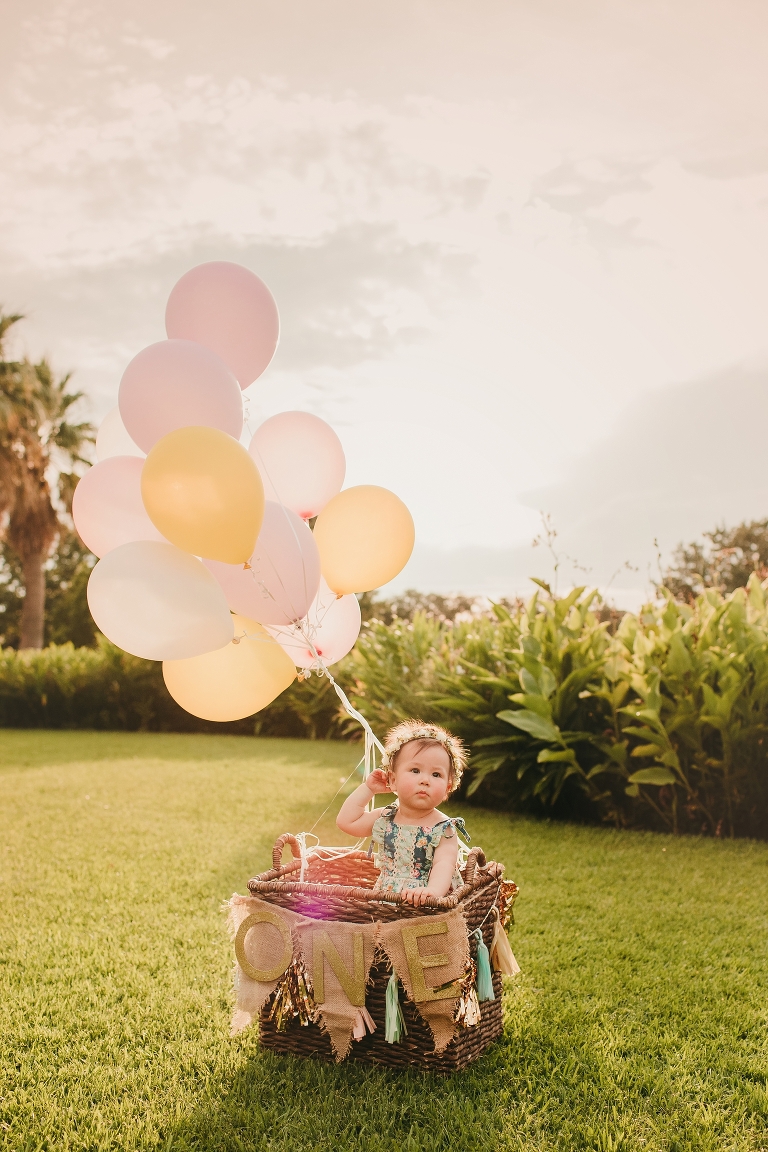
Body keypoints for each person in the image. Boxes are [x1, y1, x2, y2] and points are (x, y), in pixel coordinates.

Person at [336, 719, 469, 907]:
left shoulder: (443, 828)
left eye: (436, 774)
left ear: (448, 787)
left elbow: (444, 865)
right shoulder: (386, 818)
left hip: (425, 903)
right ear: (393, 779)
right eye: (415, 770)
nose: (425, 780)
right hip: (386, 900)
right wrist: (369, 788)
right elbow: (347, 822)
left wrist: (432, 891)